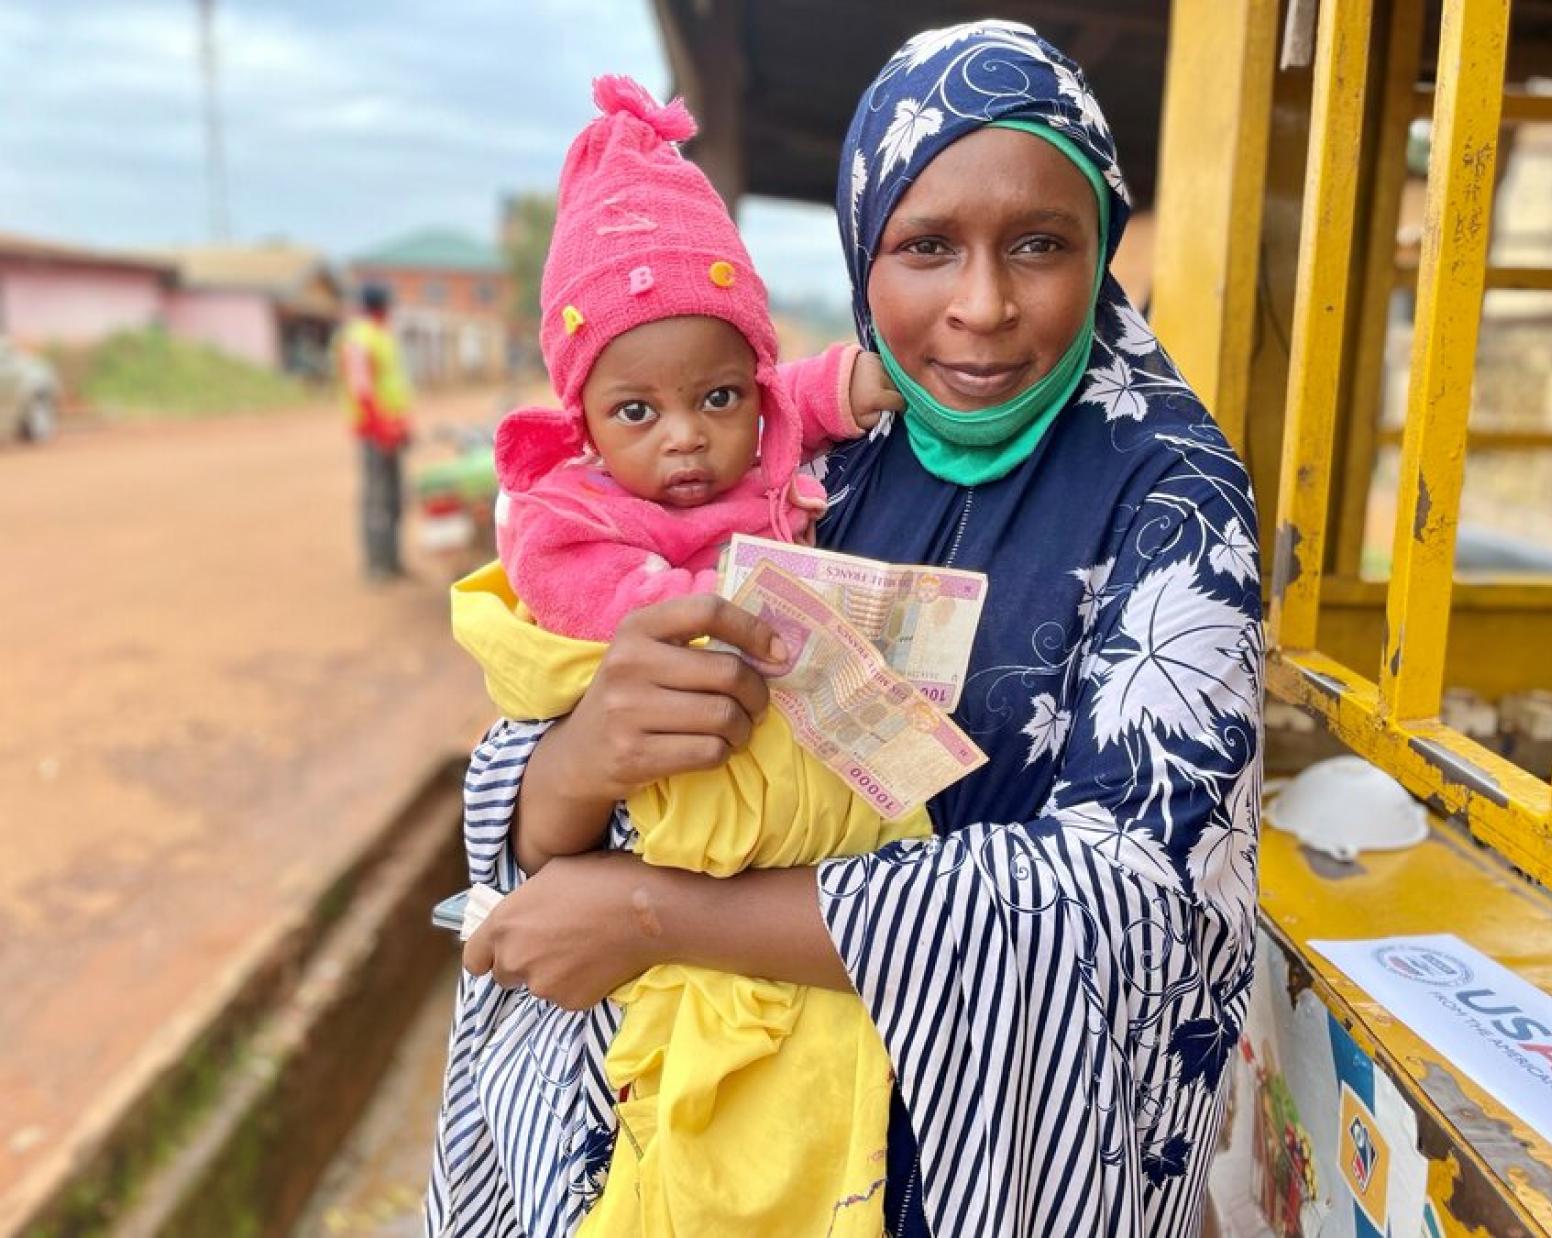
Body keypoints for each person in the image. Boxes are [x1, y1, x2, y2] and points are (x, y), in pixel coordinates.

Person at [427, 20, 1263, 1238]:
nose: (981, 307)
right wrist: (583, 756)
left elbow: (1139, 901)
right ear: (864, 248)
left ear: (1103, 247)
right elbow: (563, 797)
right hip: (720, 1135)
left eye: (1040, 243)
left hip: (987, 1166)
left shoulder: (1172, 497)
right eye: (927, 247)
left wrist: (657, 913)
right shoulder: (813, 449)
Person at [448, 76, 914, 1236]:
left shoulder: (763, 433)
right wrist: (677, 600)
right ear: (583, 421)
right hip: (677, 725)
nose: (689, 440)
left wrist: (857, 384)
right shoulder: (580, 509)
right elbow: (569, 589)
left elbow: (803, 394)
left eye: (716, 397)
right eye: (638, 412)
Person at [339, 282, 413, 580]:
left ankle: (393, 561)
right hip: (374, 431)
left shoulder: (382, 336)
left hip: (392, 428)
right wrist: (381, 428)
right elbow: (362, 390)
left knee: (395, 496)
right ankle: (376, 566)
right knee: (376, 499)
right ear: (381, 307)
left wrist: (402, 424)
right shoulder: (359, 338)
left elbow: (391, 386)